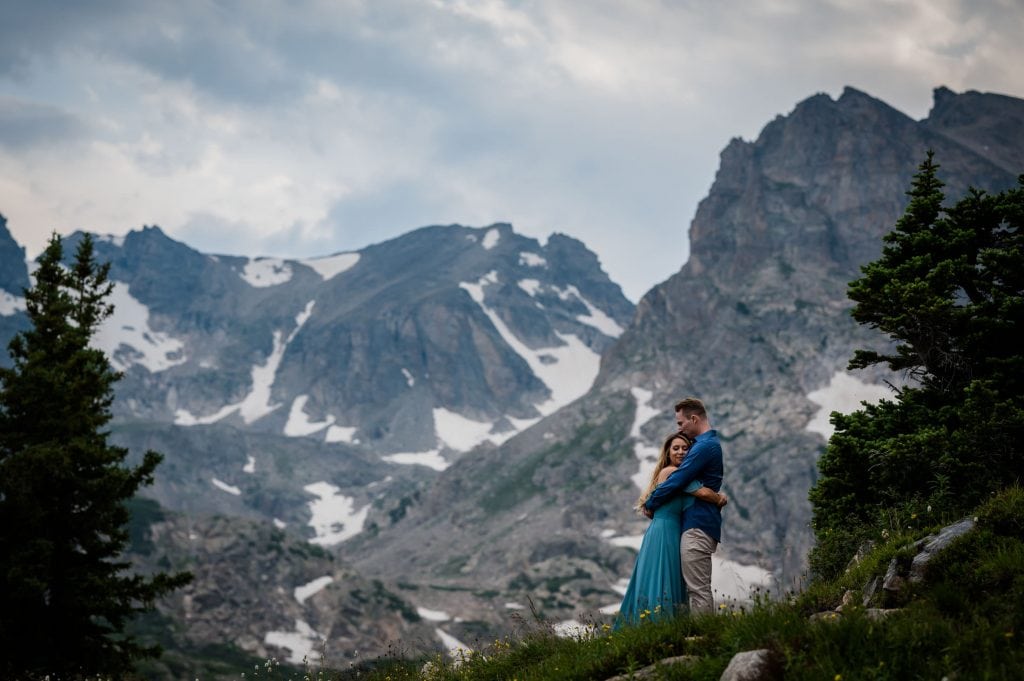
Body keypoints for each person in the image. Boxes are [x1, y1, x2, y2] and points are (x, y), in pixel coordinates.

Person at [615, 432, 726, 629]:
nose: (681, 452)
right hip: (664, 531)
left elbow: (653, 507)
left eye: (685, 448)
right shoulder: (672, 472)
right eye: (676, 448)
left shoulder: (681, 474)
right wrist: (720, 498)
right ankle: (658, 628)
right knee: (663, 577)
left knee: (671, 578)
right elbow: (701, 492)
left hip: (672, 530)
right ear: (668, 452)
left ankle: (667, 629)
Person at [643, 397, 724, 614]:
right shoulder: (704, 445)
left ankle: (704, 639)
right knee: (694, 587)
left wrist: (650, 503)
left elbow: (679, 480)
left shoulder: (703, 447)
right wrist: (716, 497)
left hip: (698, 523)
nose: (679, 427)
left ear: (694, 418)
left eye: (681, 423)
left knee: (697, 589)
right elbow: (688, 483)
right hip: (695, 523)